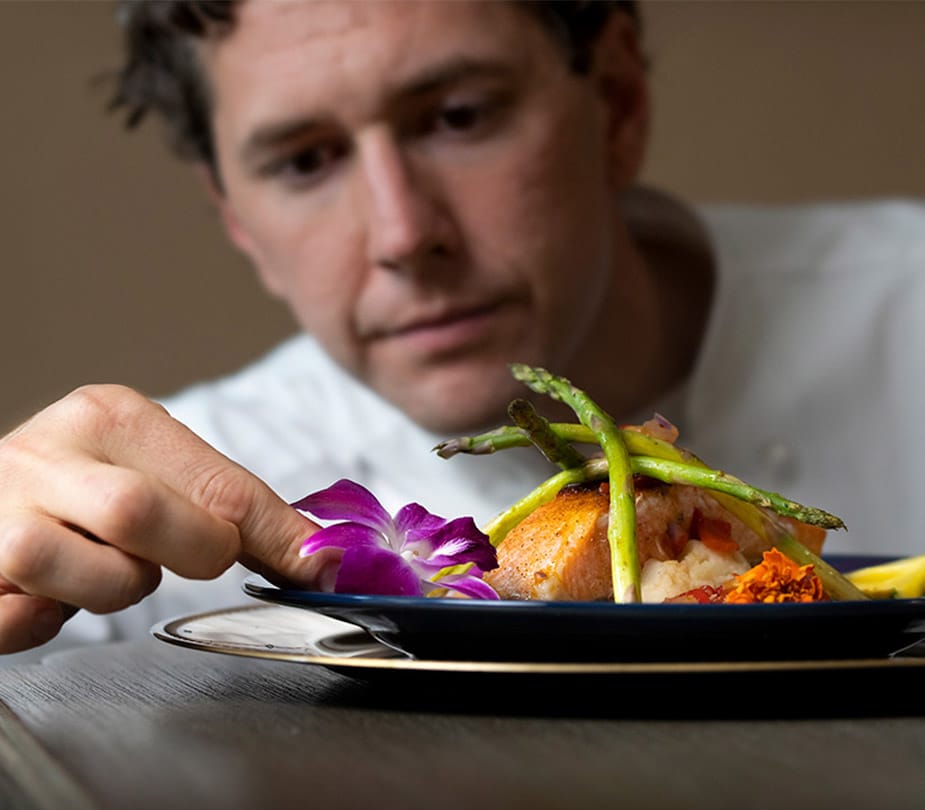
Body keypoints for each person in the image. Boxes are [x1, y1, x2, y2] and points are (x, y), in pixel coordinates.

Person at [1, 0, 923, 660]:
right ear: (237, 220)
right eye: (306, 161)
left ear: (617, 102)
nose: (405, 235)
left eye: (457, 117)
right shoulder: (170, 492)